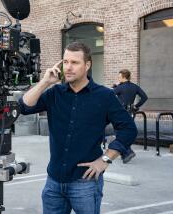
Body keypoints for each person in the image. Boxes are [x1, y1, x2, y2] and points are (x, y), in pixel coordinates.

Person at [19, 42, 137, 214]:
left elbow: (128, 129)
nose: (68, 67)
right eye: (65, 62)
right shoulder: (54, 93)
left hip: (85, 182)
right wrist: (45, 82)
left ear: (87, 65)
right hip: (54, 182)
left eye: (74, 62)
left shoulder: (105, 96)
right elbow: (24, 107)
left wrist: (105, 160)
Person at [113, 69, 148, 163]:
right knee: (126, 133)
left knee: (120, 134)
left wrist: (114, 86)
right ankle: (125, 154)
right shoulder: (134, 87)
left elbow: (110, 95)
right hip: (130, 112)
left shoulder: (120, 87)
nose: (118, 78)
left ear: (124, 77)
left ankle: (127, 152)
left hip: (120, 113)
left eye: (119, 76)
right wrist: (136, 106)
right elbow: (145, 97)